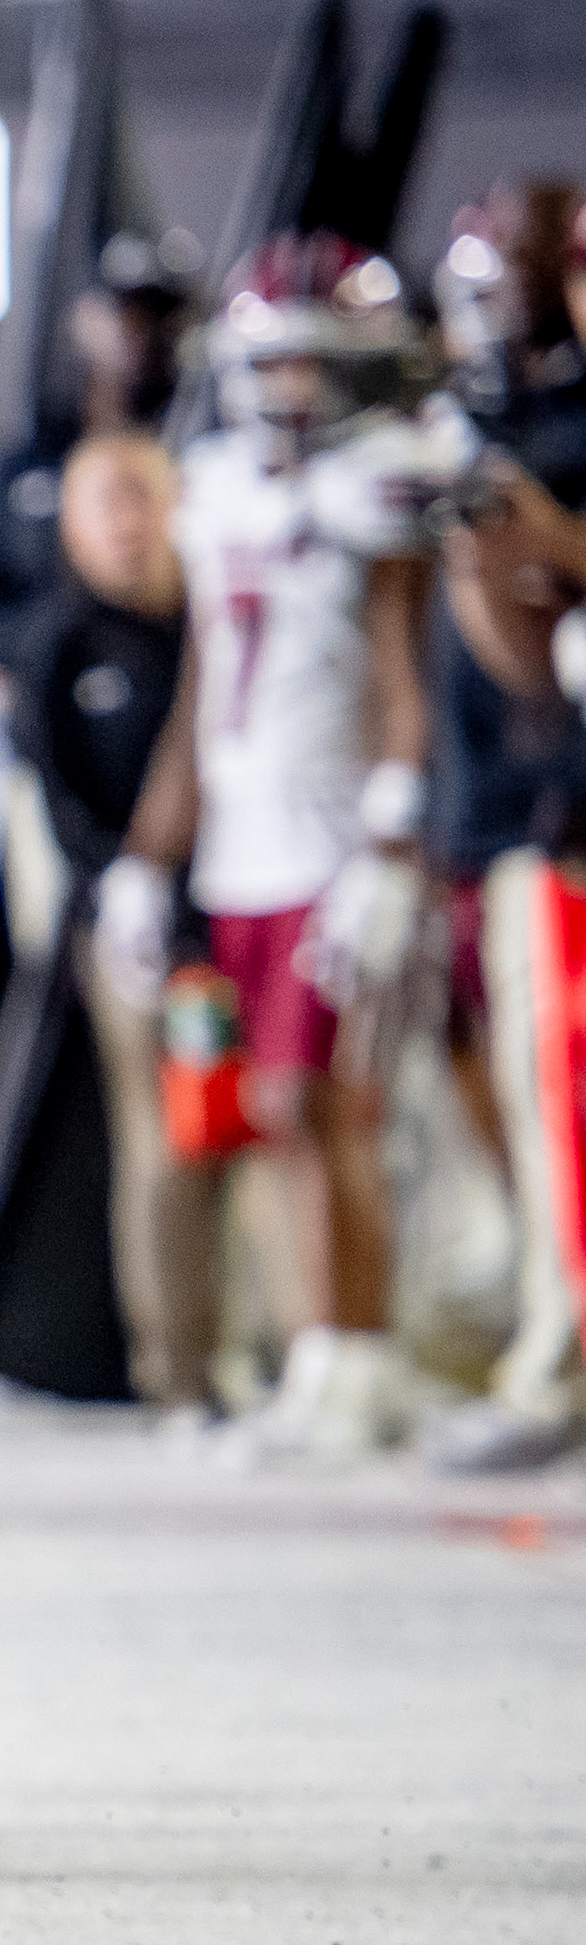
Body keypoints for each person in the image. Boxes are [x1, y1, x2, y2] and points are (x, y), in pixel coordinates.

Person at [100, 236, 448, 1468]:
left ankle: (360, 1353)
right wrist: (151, 854)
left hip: (334, 835)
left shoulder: (384, 484)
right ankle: (321, 1354)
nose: (291, 391)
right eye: (273, 365)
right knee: (266, 1111)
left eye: (315, 366)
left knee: (322, 1106)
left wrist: (391, 840)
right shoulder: (219, 490)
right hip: (241, 844)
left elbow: (411, 675)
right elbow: (206, 691)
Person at [412, 185, 586, 1476]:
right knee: (533, 1089)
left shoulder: (558, 437)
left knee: (561, 1092)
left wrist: (541, 538)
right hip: (507, 809)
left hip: (561, 805)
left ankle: (559, 1356)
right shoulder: (481, 429)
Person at [18, 434, 219, 1418]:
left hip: (231, 909)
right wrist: (115, 876)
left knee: (253, 1127)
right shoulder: (61, 642)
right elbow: (53, 795)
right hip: (128, 929)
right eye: (109, 503)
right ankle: (178, 1368)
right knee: (164, 1145)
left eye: (145, 497)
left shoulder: (211, 620)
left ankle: (274, 1345)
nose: (130, 523)